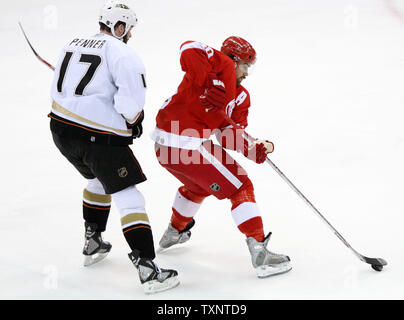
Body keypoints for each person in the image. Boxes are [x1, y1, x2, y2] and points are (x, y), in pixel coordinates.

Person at [48, 1, 179, 294]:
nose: (130, 34)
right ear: (119, 27)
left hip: (60, 131)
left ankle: (93, 240)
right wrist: (134, 120)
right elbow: (130, 105)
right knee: (129, 197)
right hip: (95, 139)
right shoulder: (123, 53)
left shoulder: (71, 43)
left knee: (96, 181)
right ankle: (148, 269)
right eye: (128, 29)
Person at [151, 36, 292, 278]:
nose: (247, 73)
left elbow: (226, 134)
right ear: (234, 60)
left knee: (198, 187)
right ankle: (259, 249)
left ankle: (175, 231)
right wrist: (211, 80)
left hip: (164, 149)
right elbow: (188, 47)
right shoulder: (219, 64)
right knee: (241, 187)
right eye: (245, 65)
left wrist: (254, 146)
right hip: (188, 144)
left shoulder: (241, 97)